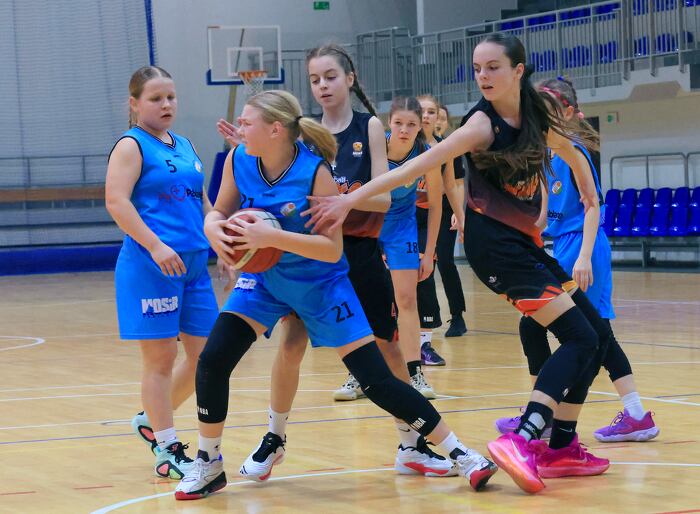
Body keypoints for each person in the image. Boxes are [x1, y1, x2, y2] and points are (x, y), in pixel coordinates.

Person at [302, 34, 614, 494]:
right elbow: (410, 169)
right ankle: (525, 438)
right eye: (477, 69)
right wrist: (350, 201)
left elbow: (566, 146)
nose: (482, 76)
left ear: (518, 70)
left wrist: (588, 191)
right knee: (579, 336)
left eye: (492, 67)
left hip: (525, 245)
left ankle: (562, 445)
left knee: (596, 337)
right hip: (495, 249)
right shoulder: (481, 126)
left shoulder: (534, 113)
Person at [173, 90, 498, 500]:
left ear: (275, 129)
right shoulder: (239, 159)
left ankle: (461, 453)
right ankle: (209, 463)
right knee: (214, 359)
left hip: (321, 284)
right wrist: (214, 230)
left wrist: (271, 237)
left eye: (247, 122)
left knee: (376, 380)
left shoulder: (315, 173)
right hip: (266, 282)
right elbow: (218, 211)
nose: (239, 129)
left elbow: (331, 249)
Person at [216, 44, 457, 481]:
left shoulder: (369, 126)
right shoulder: (303, 133)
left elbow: (384, 196)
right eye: (314, 80)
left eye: (330, 77)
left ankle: (411, 445)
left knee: (388, 348)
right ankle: (274, 437)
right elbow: (277, 173)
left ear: (349, 78)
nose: (322, 86)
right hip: (307, 256)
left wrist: (342, 200)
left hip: (359, 250)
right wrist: (250, 146)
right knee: (291, 344)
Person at [494, 77, 659, 444]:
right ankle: (625, 413)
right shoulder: (547, 154)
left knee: (569, 331)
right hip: (562, 247)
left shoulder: (574, 151)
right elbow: (543, 214)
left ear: (567, 113)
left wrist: (584, 256)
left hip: (584, 246)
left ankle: (547, 412)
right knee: (572, 330)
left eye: (547, 111)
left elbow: (591, 207)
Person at [105, 66, 219, 479]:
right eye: (156, 98)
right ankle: (167, 447)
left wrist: (221, 242)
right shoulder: (131, 145)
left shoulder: (185, 144)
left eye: (171, 97)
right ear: (135, 104)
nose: (166, 104)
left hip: (194, 265)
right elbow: (116, 201)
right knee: (161, 359)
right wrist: (155, 245)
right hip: (151, 265)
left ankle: (151, 418)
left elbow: (202, 201)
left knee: (209, 355)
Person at [380, 96, 443, 396]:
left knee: (406, 300)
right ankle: (359, 373)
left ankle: (414, 373)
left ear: (421, 126)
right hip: (370, 224)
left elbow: (436, 205)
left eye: (411, 124)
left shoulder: (425, 154)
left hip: (402, 228)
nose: (404, 130)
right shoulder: (375, 147)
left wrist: (429, 253)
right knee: (369, 301)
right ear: (389, 123)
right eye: (398, 123)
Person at [414, 95, 465, 366]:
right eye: (421, 111)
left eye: (431, 112)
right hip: (401, 219)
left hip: (430, 218)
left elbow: (451, 184)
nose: (426, 116)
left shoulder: (445, 148)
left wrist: (461, 216)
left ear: (438, 116)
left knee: (426, 273)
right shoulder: (401, 144)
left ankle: (424, 343)